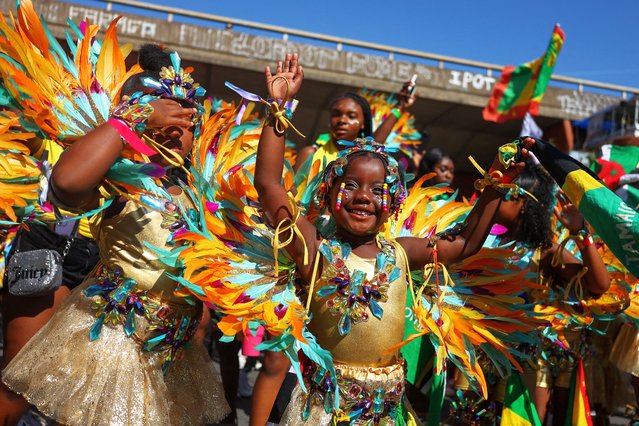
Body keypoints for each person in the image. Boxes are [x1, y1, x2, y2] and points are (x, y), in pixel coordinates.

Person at [254, 53, 532, 425]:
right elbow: (270, 185)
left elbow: (464, 243)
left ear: (394, 203)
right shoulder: (315, 250)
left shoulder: (403, 253)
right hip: (322, 414)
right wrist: (278, 109)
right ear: (328, 193)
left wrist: (495, 187)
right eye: (350, 185)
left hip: (387, 415)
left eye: (377, 189)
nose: (363, 196)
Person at [1, 43, 229, 424]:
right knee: (18, 380)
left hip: (158, 339)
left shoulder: (198, 193)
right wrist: (133, 118)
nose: (173, 129)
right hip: (58, 249)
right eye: (160, 118)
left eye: (186, 123)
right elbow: (68, 182)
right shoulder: (117, 171)